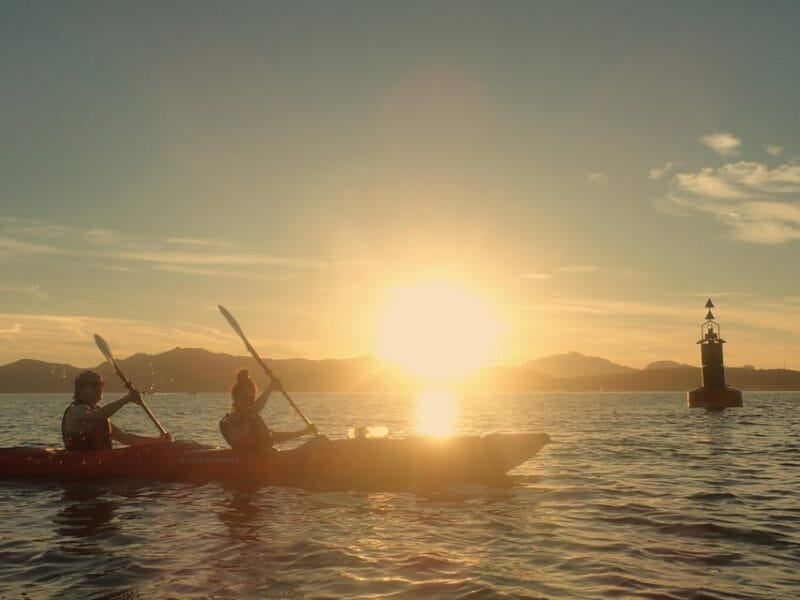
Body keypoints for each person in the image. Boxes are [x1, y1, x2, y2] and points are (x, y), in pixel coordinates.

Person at [61, 371, 172, 451]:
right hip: (81, 465)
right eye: (95, 385)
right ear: (80, 388)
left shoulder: (97, 413)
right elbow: (99, 415)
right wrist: (127, 398)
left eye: (101, 385)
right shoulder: (76, 411)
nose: (100, 388)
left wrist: (158, 441)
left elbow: (125, 438)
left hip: (98, 462)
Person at [219, 369, 316, 451]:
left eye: (252, 399)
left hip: (270, 462)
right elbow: (255, 409)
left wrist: (305, 432)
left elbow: (274, 437)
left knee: (320, 442)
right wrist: (270, 388)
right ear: (235, 398)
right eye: (246, 398)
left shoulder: (253, 419)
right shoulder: (230, 421)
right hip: (253, 466)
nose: (249, 402)